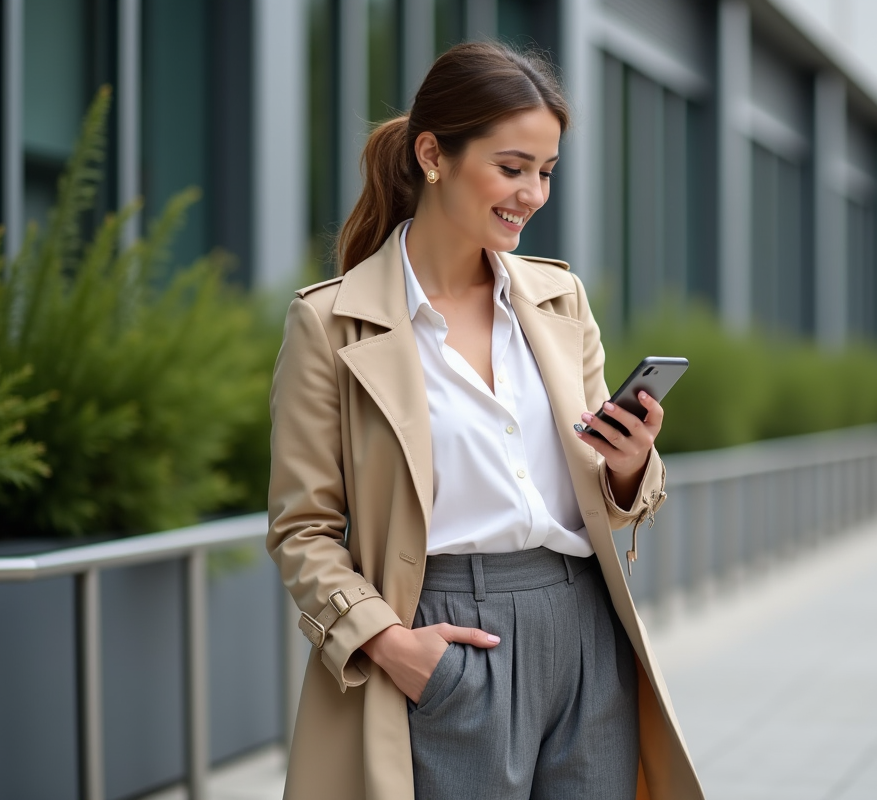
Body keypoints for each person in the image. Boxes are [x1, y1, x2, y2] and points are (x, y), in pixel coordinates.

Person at [267, 42, 704, 800]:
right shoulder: (332, 323)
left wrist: (632, 465)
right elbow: (301, 527)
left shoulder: (559, 301)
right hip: (446, 640)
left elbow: (604, 487)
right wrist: (391, 645)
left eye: (545, 172)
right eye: (512, 167)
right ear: (433, 155)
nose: (532, 194)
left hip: (586, 632)